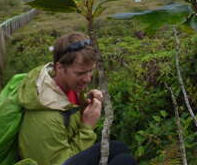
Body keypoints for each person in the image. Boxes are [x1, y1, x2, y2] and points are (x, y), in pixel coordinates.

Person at [17, 32, 136, 165]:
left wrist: (85, 103)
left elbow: (68, 110)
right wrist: (87, 126)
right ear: (60, 67)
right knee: (125, 161)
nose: (88, 79)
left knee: (120, 148)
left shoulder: (66, 85)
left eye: (90, 70)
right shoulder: (46, 119)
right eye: (80, 73)